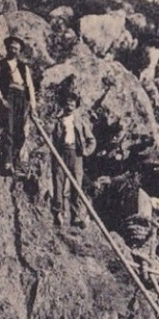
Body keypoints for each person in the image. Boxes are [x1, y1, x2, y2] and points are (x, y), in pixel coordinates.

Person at [0, 35, 37, 175]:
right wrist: (0, 99)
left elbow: (30, 87)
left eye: (16, 48)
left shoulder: (24, 67)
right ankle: (7, 162)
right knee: (9, 130)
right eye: (11, 47)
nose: (13, 50)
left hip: (22, 99)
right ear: (7, 48)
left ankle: (16, 162)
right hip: (8, 97)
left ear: (20, 50)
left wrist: (33, 107)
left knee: (21, 132)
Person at [51, 92, 96, 229]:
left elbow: (91, 140)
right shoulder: (59, 120)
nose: (69, 105)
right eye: (67, 102)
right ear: (64, 104)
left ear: (76, 106)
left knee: (77, 184)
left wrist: (86, 152)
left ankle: (77, 215)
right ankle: (58, 212)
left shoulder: (80, 121)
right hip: (61, 153)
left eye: (72, 103)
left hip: (76, 154)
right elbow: (52, 136)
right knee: (58, 183)